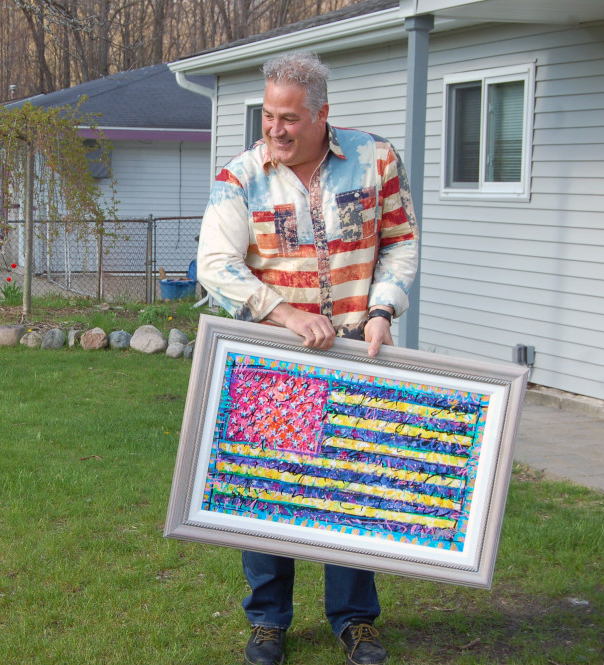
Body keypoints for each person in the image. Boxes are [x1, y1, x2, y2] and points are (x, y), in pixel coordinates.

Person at [196, 52, 419, 665]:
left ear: (323, 115)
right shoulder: (240, 178)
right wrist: (287, 316)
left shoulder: (375, 160)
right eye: (268, 115)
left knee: (351, 490)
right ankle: (268, 622)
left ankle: (355, 620)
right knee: (270, 491)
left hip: (355, 350)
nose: (275, 129)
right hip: (276, 359)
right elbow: (216, 267)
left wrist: (383, 309)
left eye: (289, 118)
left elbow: (400, 241)